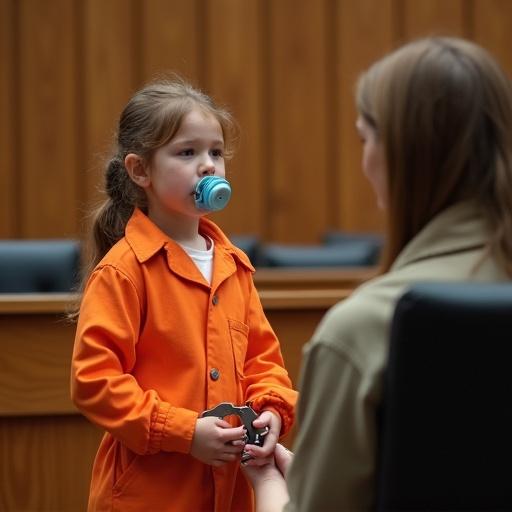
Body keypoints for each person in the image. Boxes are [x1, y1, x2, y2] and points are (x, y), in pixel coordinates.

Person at [243, 36, 512, 511]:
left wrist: (269, 484)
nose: (364, 160)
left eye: (365, 138)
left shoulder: (360, 331)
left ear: (405, 158)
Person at [70, 76, 297, 512]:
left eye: (215, 151)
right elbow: (94, 381)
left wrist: (272, 409)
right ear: (140, 171)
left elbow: (263, 360)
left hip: (229, 493)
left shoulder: (234, 265)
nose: (208, 165)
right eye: (187, 152)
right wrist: (183, 432)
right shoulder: (124, 270)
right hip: (149, 497)